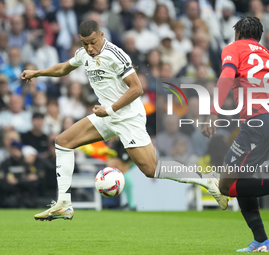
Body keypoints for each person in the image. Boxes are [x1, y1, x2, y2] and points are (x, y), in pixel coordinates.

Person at [21, 20, 227, 221]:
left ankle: (206, 180)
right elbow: (64, 68)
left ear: (101, 35)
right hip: (107, 114)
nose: (90, 48)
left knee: (151, 169)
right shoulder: (84, 53)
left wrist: (110, 109)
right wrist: (37, 73)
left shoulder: (115, 55)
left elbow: (137, 88)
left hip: (128, 117)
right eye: (85, 44)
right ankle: (63, 205)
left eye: (93, 42)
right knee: (63, 142)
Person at [201, 16, 269, 252]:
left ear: (238, 33)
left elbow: (227, 76)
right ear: (258, 37)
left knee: (227, 186)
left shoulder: (234, 48)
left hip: (256, 124)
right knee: (242, 181)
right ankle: (261, 241)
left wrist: (213, 112)